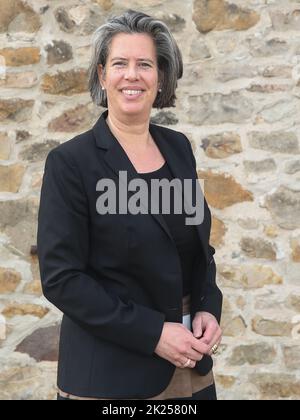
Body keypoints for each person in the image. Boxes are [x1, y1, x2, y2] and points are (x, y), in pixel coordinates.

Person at [37, 9, 223, 401]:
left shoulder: (178, 149)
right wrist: (153, 333)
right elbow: (62, 279)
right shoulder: (72, 163)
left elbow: (198, 250)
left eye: (145, 64)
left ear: (161, 77)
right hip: (110, 376)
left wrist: (208, 306)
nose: (132, 75)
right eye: (119, 63)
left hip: (191, 368)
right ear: (103, 75)